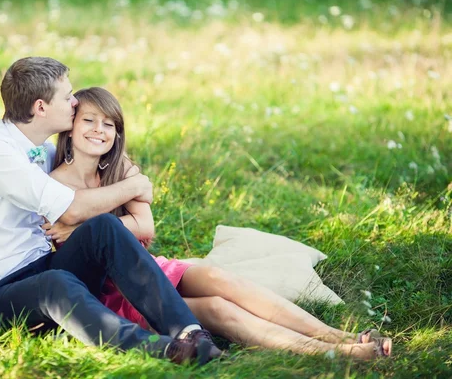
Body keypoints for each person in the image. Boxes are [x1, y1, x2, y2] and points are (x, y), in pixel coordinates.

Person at [46, 86, 393, 360]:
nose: (99, 130)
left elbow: (146, 228)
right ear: (71, 125)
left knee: (217, 278)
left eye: (109, 124)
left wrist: (81, 226)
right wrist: (110, 217)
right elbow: (102, 236)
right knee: (216, 308)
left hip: (149, 268)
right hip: (116, 293)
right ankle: (333, 354)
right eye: (89, 120)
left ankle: (338, 335)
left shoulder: (121, 171)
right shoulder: (53, 184)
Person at [0, 56, 224, 366]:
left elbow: (92, 180)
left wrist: (127, 173)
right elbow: (72, 210)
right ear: (41, 108)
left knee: (103, 227)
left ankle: (190, 333)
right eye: (67, 97)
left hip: (41, 265)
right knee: (56, 285)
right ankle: (164, 350)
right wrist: (133, 187)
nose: (75, 101)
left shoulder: (45, 150)